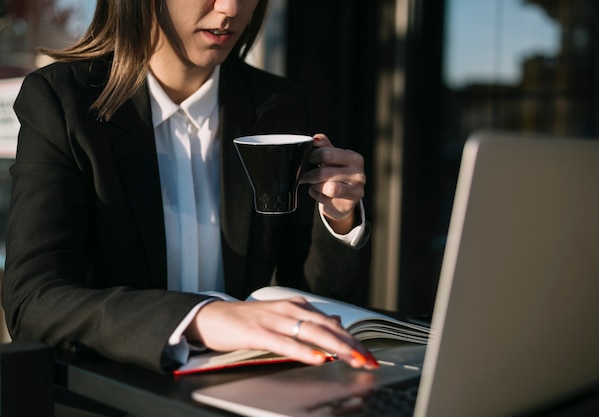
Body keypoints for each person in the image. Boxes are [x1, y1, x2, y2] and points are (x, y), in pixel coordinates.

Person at [1, 0, 377, 373]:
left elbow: (319, 301)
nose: (230, 8)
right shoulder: (62, 102)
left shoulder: (278, 104)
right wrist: (199, 317)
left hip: (251, 390)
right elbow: (33, 302)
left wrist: (338, 219)